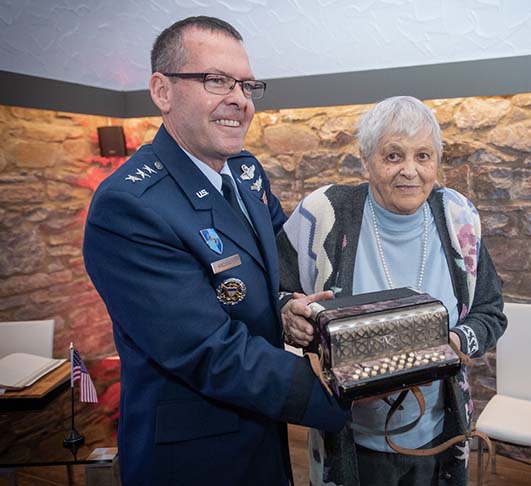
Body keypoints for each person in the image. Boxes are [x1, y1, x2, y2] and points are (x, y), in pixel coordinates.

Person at [83, 16, 349, 486]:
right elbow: (209, 350)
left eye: (247, 85)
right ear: (162, 91)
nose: (239, 100)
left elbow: (272, 271)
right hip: (193, 455)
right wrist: (342, 394)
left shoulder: (245, 174)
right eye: (216, 81)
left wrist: (286, 305)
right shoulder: (128, 206)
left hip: (261, 428)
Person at [277, 96, 507, 486]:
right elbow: (276, 292)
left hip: (439, 434)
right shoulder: (323, 214)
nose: (411, 171)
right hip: (346, 436)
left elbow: (491, 311)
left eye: (423, 155)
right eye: (393, 156)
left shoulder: (459, 219)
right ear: (366, 161)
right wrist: (288, 315)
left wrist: (456, 341)